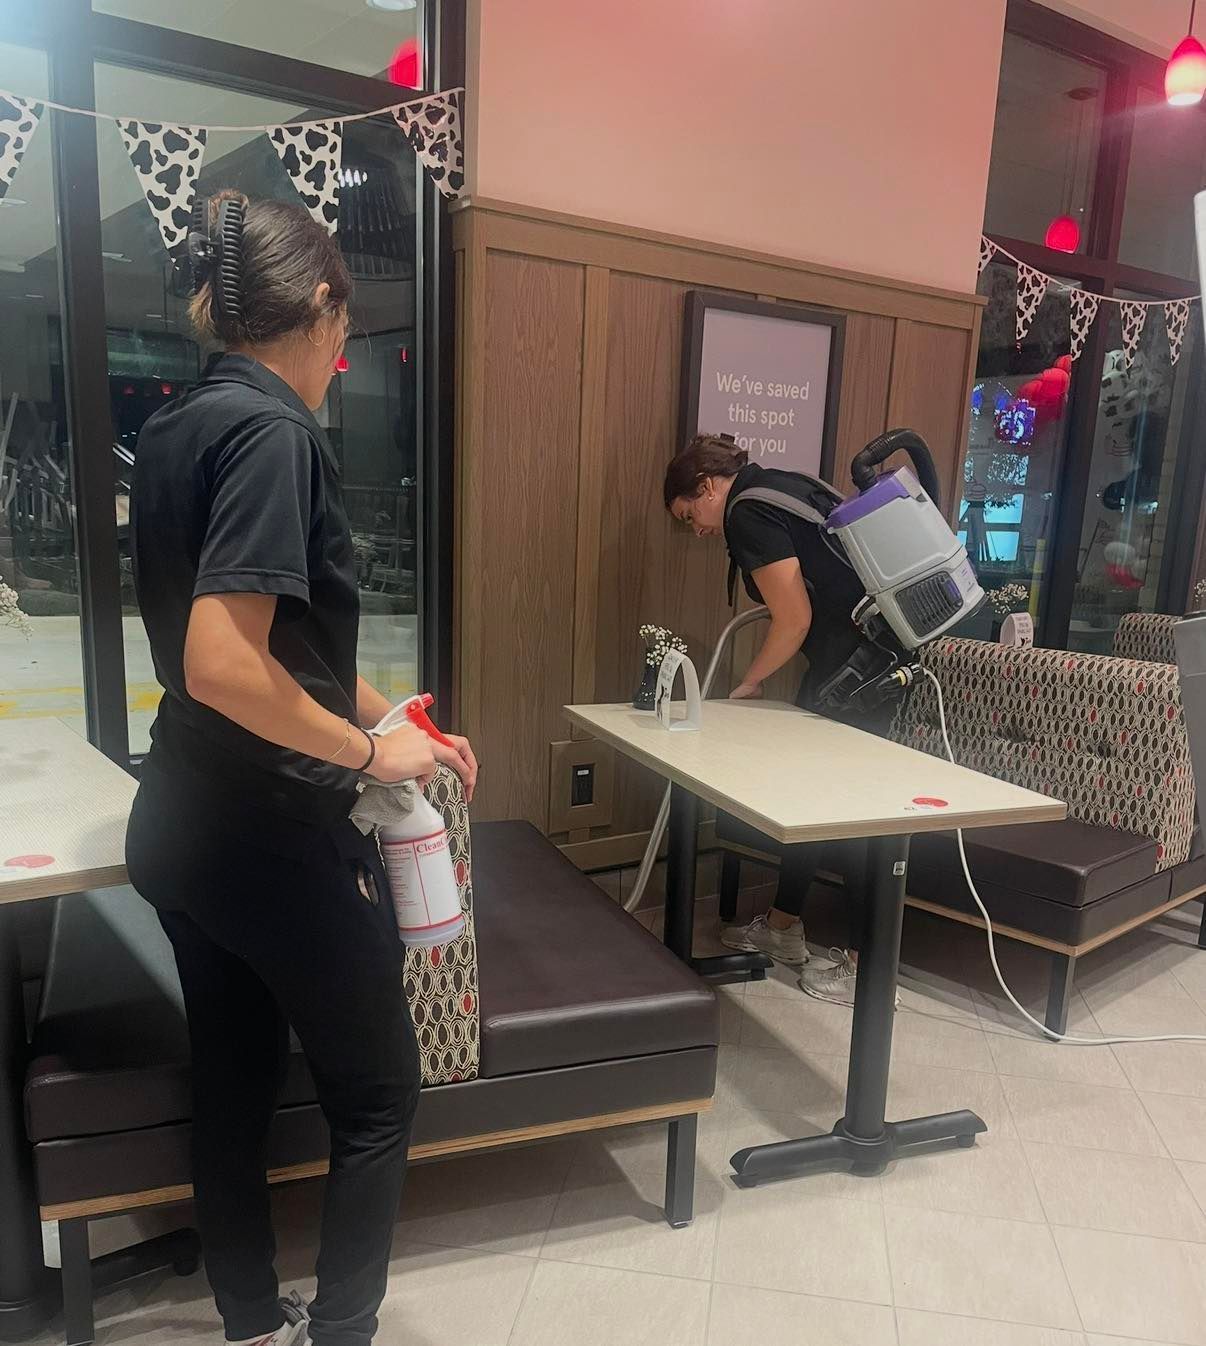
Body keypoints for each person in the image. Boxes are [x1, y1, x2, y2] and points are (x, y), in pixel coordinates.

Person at [125, 190, 477, 1346]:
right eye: (347, 329)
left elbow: (288, 653)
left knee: (231, 1077)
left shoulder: (180, 424)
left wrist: (402, 716)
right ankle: (342, 1332)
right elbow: (226, 663)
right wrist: (375, 753)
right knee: (377, 1096)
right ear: (324, 308)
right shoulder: (276, 433)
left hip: (179, 827)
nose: (344, 355)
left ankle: (246, 1321)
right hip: (270, 838)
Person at [664, 433, 897, 1006]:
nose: (696, 529)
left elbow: (793, 619)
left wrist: (749, 682)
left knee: (854, 813)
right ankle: (785, 926)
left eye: (690, 515)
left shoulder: (747, 513)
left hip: (862, 669)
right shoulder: (781, 485)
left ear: (706, 487)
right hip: (870, 659)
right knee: (810, 799)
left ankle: (870, 974)